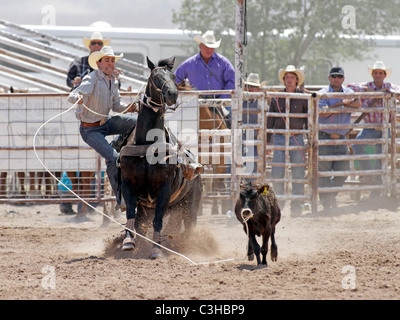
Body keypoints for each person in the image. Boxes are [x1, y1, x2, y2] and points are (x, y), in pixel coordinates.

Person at [67, 46, 137, 215]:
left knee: (136, 123)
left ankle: (117, 145)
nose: (110, 64)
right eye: (107, 61)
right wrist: (78, 98)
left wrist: (128, 108)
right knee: (112, 158)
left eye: (112, 61)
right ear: (98, 63)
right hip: (90, 130)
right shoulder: (91, 79)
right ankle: (120, 197)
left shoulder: (112, 80)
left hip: (105, 123)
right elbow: (71, 96)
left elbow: (116, 105)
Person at [347, 61, 400, 195]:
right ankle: (368, 172)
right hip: (370, 127)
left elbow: (397, 91)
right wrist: (367, 90)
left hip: (384, 128)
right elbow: (349, 87)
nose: (377, 75)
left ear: (384, 75)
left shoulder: (389, 86)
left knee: (379, 159)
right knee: (357, 146)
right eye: (375, 72)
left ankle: (375, 194)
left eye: (380, 73)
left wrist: (387, 91)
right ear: (372, 74)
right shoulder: (366, 86)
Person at [267, 65, 308, 216]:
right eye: (287, 77)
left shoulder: (303, 97)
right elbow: (270, 118)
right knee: (277, 171)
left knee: (298, 171)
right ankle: (279, 202)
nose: (289, 80)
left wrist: (309, 138)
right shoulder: (277, 97)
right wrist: (267, 140)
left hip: (296, 136)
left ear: (297, 80)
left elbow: (307, 119)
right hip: (279, 136)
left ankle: (296, 205)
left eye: (292, 77)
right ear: (284, 80)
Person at [318, 67, 361, 210]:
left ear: (343, 79)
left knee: (343, 171)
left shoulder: (348, 92)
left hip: (341, 138)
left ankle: (328, 198)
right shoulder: (323, 93)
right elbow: (322, 113)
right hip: (325, 137)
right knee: (323, 173)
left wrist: (337, 104)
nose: (336, 78)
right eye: (334, 76)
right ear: (329, 78)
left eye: (339, 76)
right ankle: (327, 203)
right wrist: (341, 103)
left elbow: (357, 103)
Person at [175, 30, 235, 101]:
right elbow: (176, 79)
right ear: (200, 46)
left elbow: (232, 81)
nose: (209, 50)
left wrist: (223, 98)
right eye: (206, 47)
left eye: (211, 48)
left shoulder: (223, 63)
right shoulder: (189, 64)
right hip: (196, 102)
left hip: (219, 101)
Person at [243, 73, 266, 177]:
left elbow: (267, 123)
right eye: (249, 87)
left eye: (254, 87)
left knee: (253, 168)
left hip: (254, 140)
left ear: (258, 89)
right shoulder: (238, 101)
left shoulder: (262, 104)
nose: (251, 89)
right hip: (240, 138)